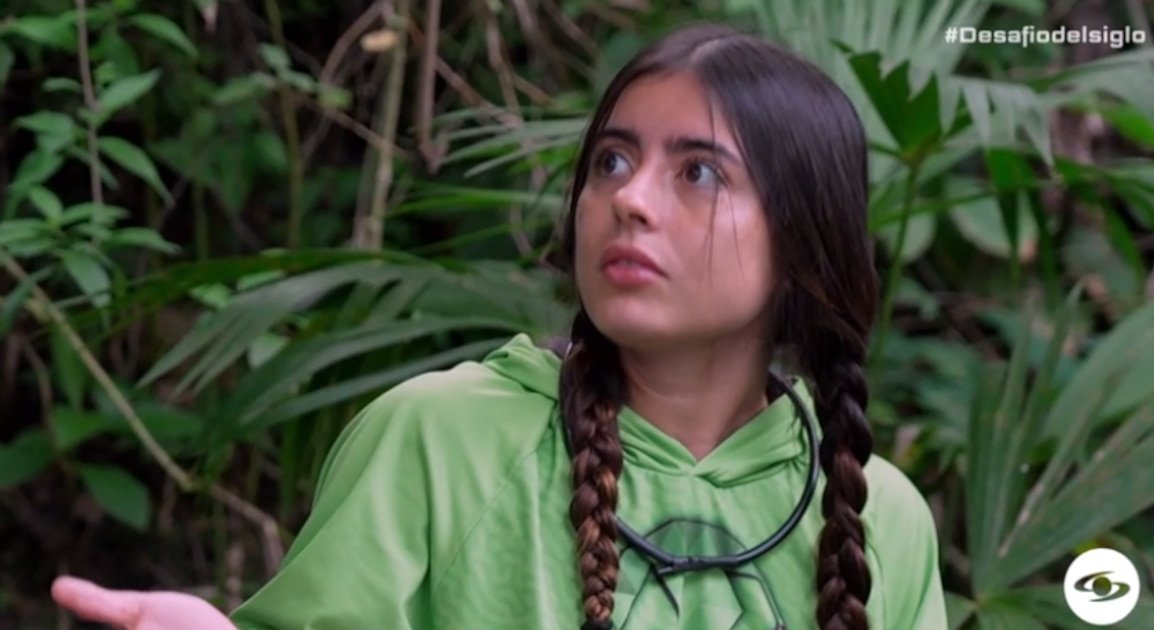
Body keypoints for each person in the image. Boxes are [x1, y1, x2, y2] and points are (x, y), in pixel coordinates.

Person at [51, 22, 947, 630]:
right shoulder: (438, 440)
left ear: (802, 243)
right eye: (612, 161)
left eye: (698, 173)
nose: (629, 199)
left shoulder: (883, 518)